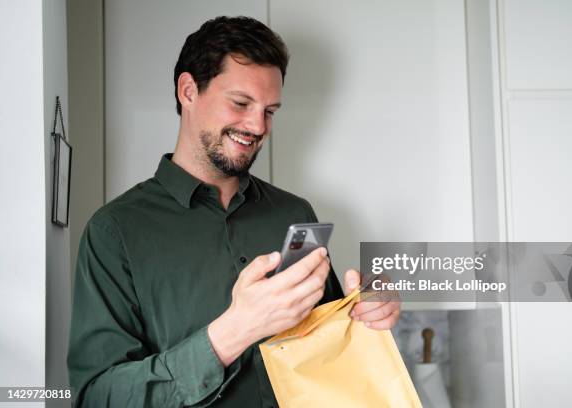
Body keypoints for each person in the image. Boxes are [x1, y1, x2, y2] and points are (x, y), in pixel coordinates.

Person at [67, 15, 400, 407]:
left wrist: (367, 313)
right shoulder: (114, 232)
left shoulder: (295, 214)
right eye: (241, 103)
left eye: (270, 110)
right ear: (188, 91)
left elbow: (328, 353)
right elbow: (95, 397)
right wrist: (232, 333)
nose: (257, 125)